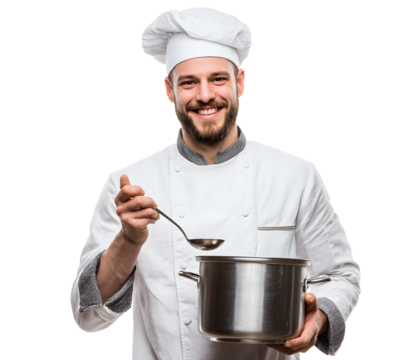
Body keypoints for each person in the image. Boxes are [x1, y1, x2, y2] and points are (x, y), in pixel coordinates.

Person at [69, 7, 362, 360]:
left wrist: (318, 321)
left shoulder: (296, 175)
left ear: (240, 82)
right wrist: (129, 240)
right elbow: (86, 314)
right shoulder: (129, 184)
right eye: (189, 82)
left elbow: (341, 274)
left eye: (218, 79)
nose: (205, 95)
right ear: (169, 91)